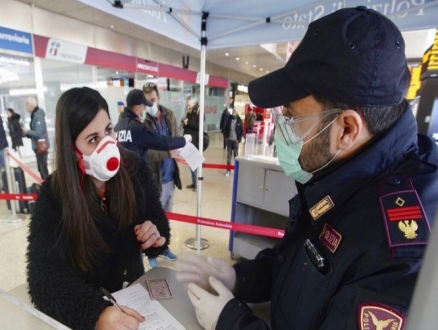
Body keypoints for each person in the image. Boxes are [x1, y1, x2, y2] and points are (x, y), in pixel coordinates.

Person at [174, 7, 438, 330]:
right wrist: (239, 278)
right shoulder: (343, 175)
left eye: (293, 118)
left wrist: (230, 321)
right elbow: (302, 262)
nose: (282, 132)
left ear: (346, 130)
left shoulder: (401, 252)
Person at [27, 87, 171, 330]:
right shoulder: (54, 194)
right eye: (93, 139)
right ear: (72, 149)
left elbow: (158, 220)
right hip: (91, 310)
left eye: (108, 131)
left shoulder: (133, 168)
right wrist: (96, 314)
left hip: (136, 300)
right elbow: (43, 281)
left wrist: (156, 235)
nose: (107, 144)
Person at [142, 82, 180, 268]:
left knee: (166, 219)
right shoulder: (143, 122)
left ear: (159, 98)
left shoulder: (170, 116)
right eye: (147, 102)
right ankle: (151, 254)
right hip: (155, 180)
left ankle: (164, 248)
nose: (151, 105)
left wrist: (182, 146)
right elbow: (146, 153)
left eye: (153, 100)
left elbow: (176, 138)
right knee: (154, 220)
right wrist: (167, 153)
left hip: (171, 178)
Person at [114, 89, 190, 162]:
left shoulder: (117, 127)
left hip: (123, 173)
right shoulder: (137, 128)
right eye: (143, 107)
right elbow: (162, 141)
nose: (144, 110)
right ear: (136, 108)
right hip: (136, 173)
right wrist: (184, 140)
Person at [23, 96, 50, 180]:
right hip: (38, 147)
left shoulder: (38, 115)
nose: (26, 108)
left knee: (43, 169)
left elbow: (39, 132)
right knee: (41, 169)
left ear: (31, 105)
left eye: (27, 105)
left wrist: (27, 131)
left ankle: (48, 189)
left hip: (41, 147)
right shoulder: (35, 115)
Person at [182, 95, 200, 192]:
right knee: (190, 163)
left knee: (194, 163)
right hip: (188, 140)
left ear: (193, 102)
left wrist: (188, 122)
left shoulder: (198, 111)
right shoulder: (189, 111)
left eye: (189, 105)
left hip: (195, 141)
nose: (187, 106)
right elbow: (188, 122)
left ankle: (197, 184)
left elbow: (199, 125)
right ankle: (194, 182)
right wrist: (184, 122)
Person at [223, 108, 243, 177]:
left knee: (236, 156)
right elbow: (225, 128)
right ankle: (228, 171)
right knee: (228, 156)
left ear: (237, 112)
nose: (234, 112)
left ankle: (236, 171)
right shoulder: (229, 119)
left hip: (235, 141)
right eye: (233, 111)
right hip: (229, 141)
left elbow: (241, 131)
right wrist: (226, 136)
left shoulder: (239, 121)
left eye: (235, 111)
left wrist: (238, 139)